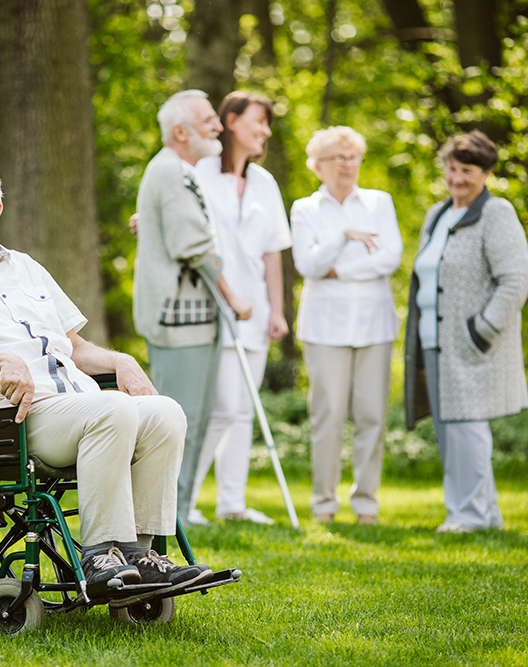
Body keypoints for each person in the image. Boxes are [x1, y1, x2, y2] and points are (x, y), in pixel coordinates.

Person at [0, 148, 213, 600]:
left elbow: (74, 346)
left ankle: (142, 555)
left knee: (164, 413)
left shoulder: (26, 268)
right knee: (112, 407)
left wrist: (120, 361)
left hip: (71, 403)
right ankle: (99, 554)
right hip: (0, 417)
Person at [133, 90, 253, 525]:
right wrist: (233, 296)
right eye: (208, 120)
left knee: (195, 419)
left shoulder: (178, 172)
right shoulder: (170, 172)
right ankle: (168, 519)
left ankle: (178, 515)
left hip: (193, 320)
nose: (218, 126)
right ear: (180, 132)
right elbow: (194, 245)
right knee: (181, 421)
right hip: (178, 320)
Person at [404, 130, 528, 533]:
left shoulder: (496, 213)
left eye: (467, 170)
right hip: (434, 343)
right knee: (451, 433)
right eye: (451, 168)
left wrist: (483, 330)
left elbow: (516, 278)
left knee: (468, 429)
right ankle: (485, 514)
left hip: (471, 344)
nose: (457, 178)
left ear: (487, 173)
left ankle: (468, 516)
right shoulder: (438, 214)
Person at [290, 126, 403, 525]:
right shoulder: (305, 209)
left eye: (354, 157)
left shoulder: (379, 202)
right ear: (318, 166)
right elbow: (308, 266)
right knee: (328, 415)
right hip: (325, 329)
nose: (349, 165)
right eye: (340, 157)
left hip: (375, 325)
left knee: (372, 414)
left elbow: (390, 258)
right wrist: (342, 236)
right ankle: (324, 502)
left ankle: (366, 503)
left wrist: (338, 268)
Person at [188, 91, 291, 525]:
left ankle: (232, 502)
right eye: (258, 122)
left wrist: (278, 311)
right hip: (215, 304)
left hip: (257, 308)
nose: (265, 131)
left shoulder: (265, 182)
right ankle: (183, 503)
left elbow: (273, 253)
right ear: (231, 122)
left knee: (244, 410)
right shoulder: (200, 171)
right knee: (222, 407)